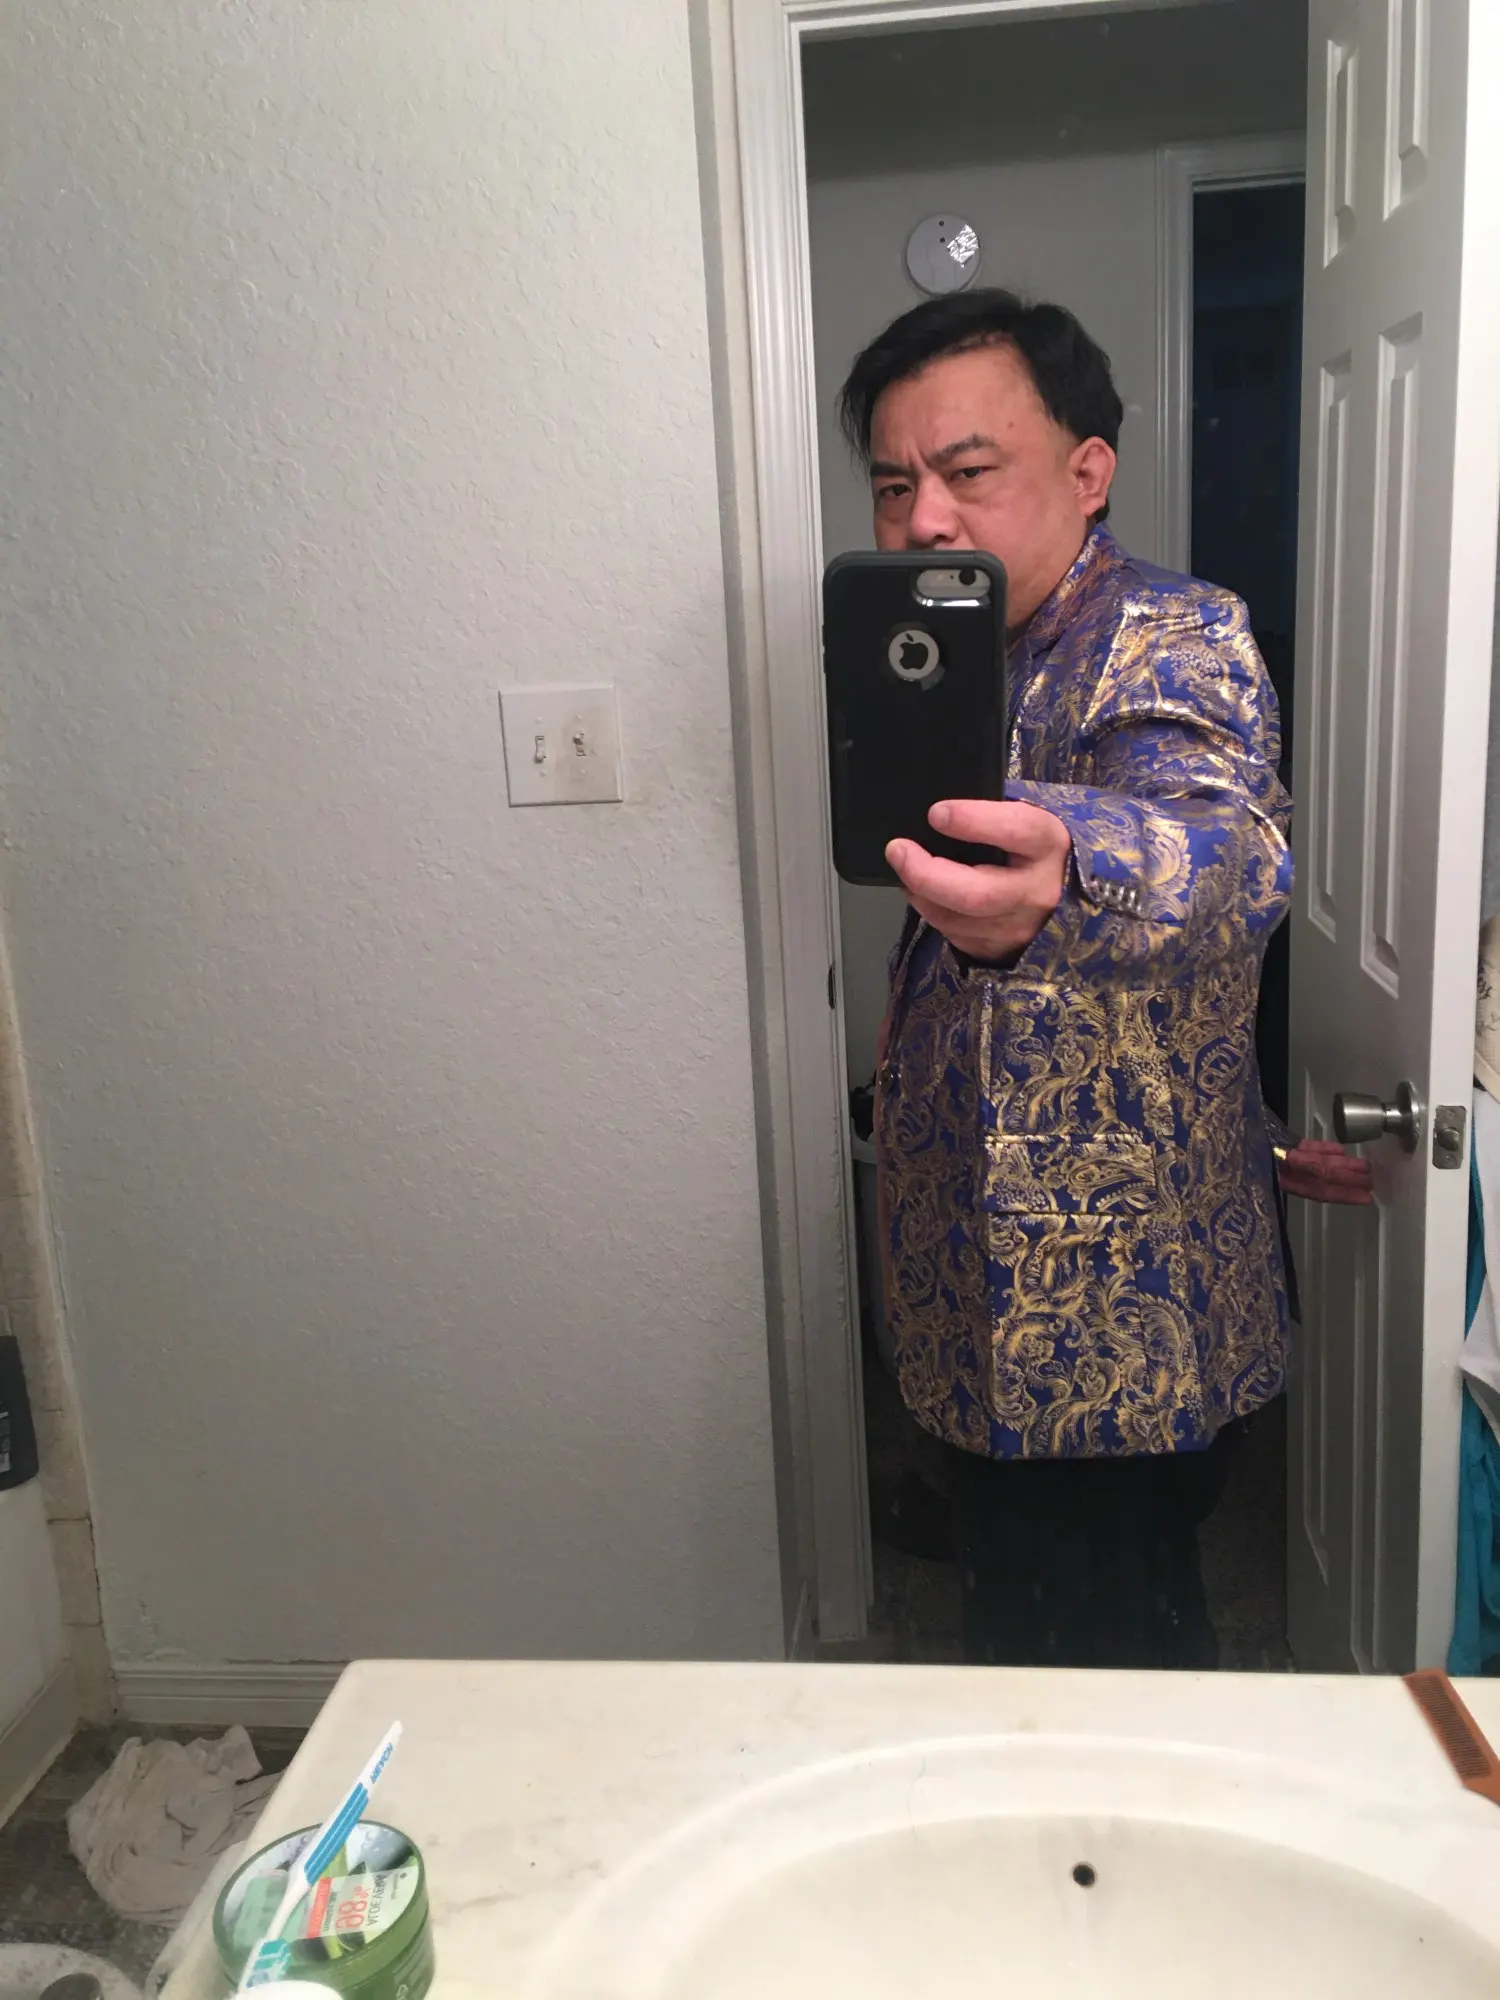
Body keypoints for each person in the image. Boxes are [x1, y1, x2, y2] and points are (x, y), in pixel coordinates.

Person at [843, 289, 1371, 1669]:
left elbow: (1227, 845)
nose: (924, 520)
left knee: (1117, 1683)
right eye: (894, 485)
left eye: (968, 471)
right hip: (974, 1292)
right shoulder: (965, 659)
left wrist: (1075, 861)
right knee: (1022, 1630)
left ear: (1089, 472)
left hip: (1104, 1321)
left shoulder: (1173, 633)